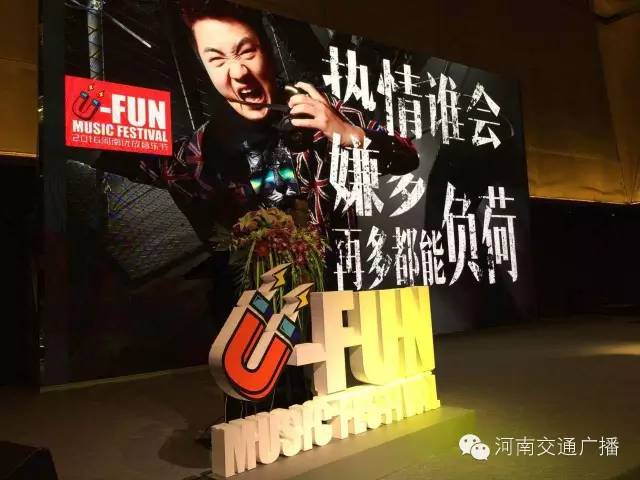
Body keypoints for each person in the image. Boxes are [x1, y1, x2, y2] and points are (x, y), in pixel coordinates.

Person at [95, 0, 419, 420]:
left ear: (266, 48)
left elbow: (405, 156)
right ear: (202, 65)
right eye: (217, 59)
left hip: (331, 298)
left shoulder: (319, 111)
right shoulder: (200, 151)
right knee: (258, 405)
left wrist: (344, 131)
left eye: (246, 51)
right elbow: (126, 156)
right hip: (253, 303)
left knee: (330, 406)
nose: (238, 74)